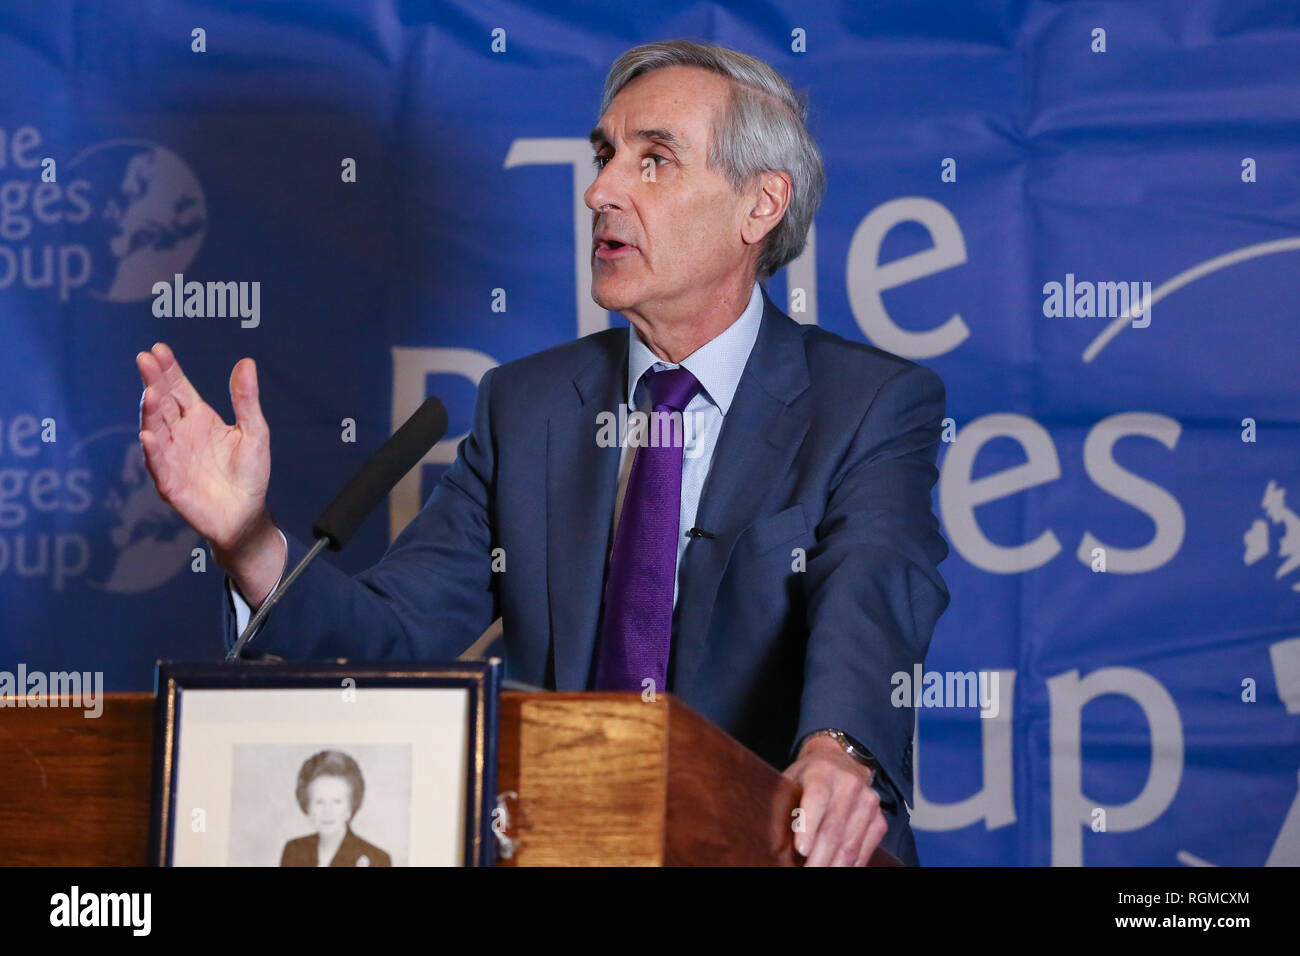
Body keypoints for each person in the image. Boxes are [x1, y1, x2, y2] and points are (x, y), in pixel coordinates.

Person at [137, 40, 950, 867]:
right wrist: (249, 542)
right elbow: (391, 639)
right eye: (604, 156)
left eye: (655, 160)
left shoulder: (867, 406)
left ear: (759, 205)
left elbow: (874, 597)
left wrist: (837, 748)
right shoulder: (527, 408)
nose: (600, 191)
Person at [280, 750, 391, 867]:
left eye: (337, 802)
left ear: (350, 807)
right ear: (308, 807)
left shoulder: (376, 858)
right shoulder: (294, 850)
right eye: (319, 802)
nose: (328, 811)